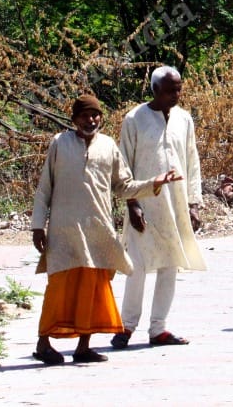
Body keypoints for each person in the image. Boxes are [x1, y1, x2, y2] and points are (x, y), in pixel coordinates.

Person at [30, 94, 183, 365]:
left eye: (95, 115)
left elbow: (124, 186)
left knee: (94, 288)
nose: (91, 120)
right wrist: (38, 226)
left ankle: (83, 347)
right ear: (74, 119)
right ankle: (43, 343)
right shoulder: (59, 144)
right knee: (59, 288)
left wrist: (154, 182)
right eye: (85, 116)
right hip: (64, 232)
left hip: (98, 230)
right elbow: (45, 188)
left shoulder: (109, 146)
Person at [111, 65, 206, 349]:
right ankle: (126, 327)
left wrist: (193, 204)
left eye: (178, 89)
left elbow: (192, 161)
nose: (175, 95)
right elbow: (123, 163)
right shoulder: (134, 119)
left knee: (170, 264)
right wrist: (132, 203)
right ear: (154, 90)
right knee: (136, 266)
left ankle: (158, 329)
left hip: (175, 202)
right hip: (144, 201)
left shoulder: (184, 119)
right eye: (169, 90)